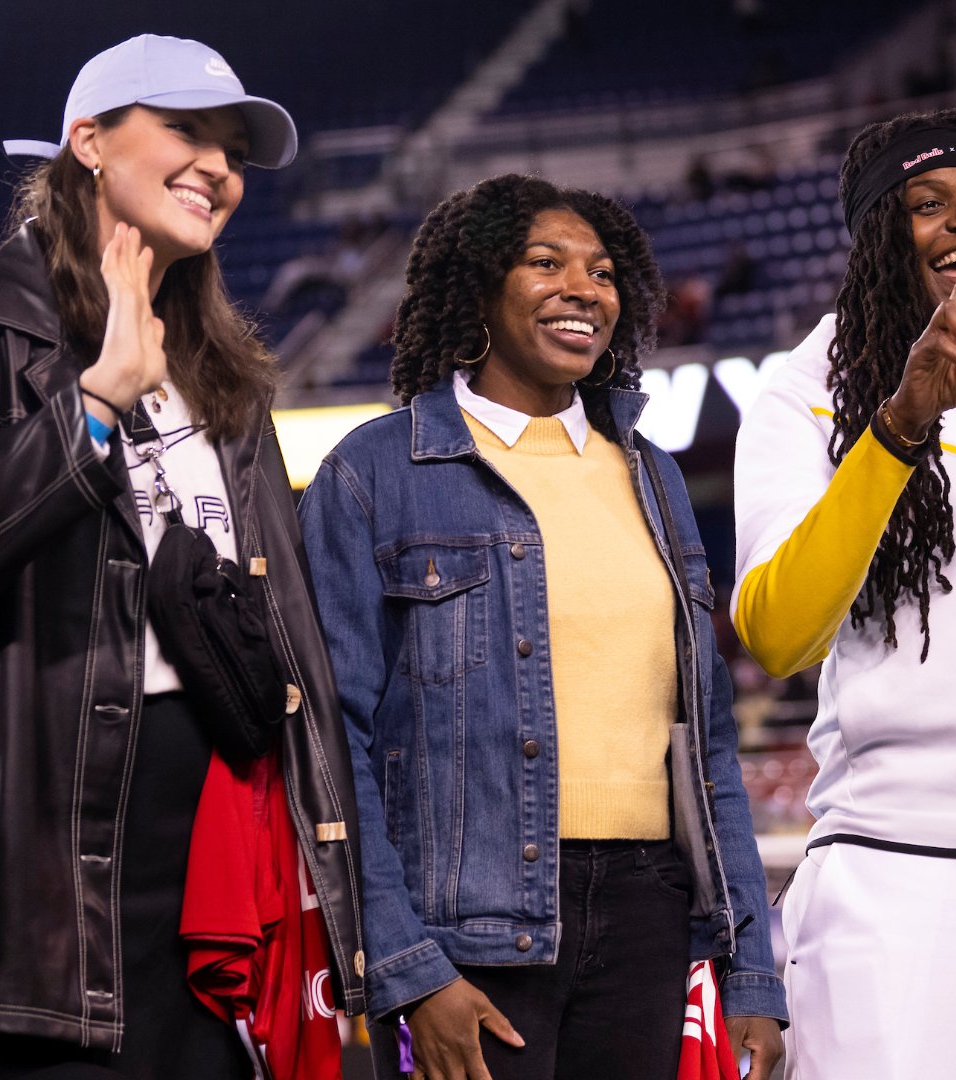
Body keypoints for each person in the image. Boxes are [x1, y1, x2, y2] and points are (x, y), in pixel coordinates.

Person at [299, 173, 786, 1080]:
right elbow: (334, 745)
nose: (583, 288)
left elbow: (708, 745)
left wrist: (752, 967)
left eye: (602, 272)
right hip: (471, 934)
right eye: (545, 262)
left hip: (648, 921)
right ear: (480, 286)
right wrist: (411, 971)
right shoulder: (374, 472)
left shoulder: (652, 476)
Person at [0, 34, 365, 1079]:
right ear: (89, 142)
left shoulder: (227, 374)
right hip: (45, 899)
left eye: (234, 150)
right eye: (189, 131)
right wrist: (96, 402)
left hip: (214, 873)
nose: (220, 168)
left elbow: (289, 630)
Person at [731, 106, 956, 1078]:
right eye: (928, 203)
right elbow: (780, 633)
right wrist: (902, 424)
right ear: (881, 233)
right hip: (907, 881)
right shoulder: (809, 391)